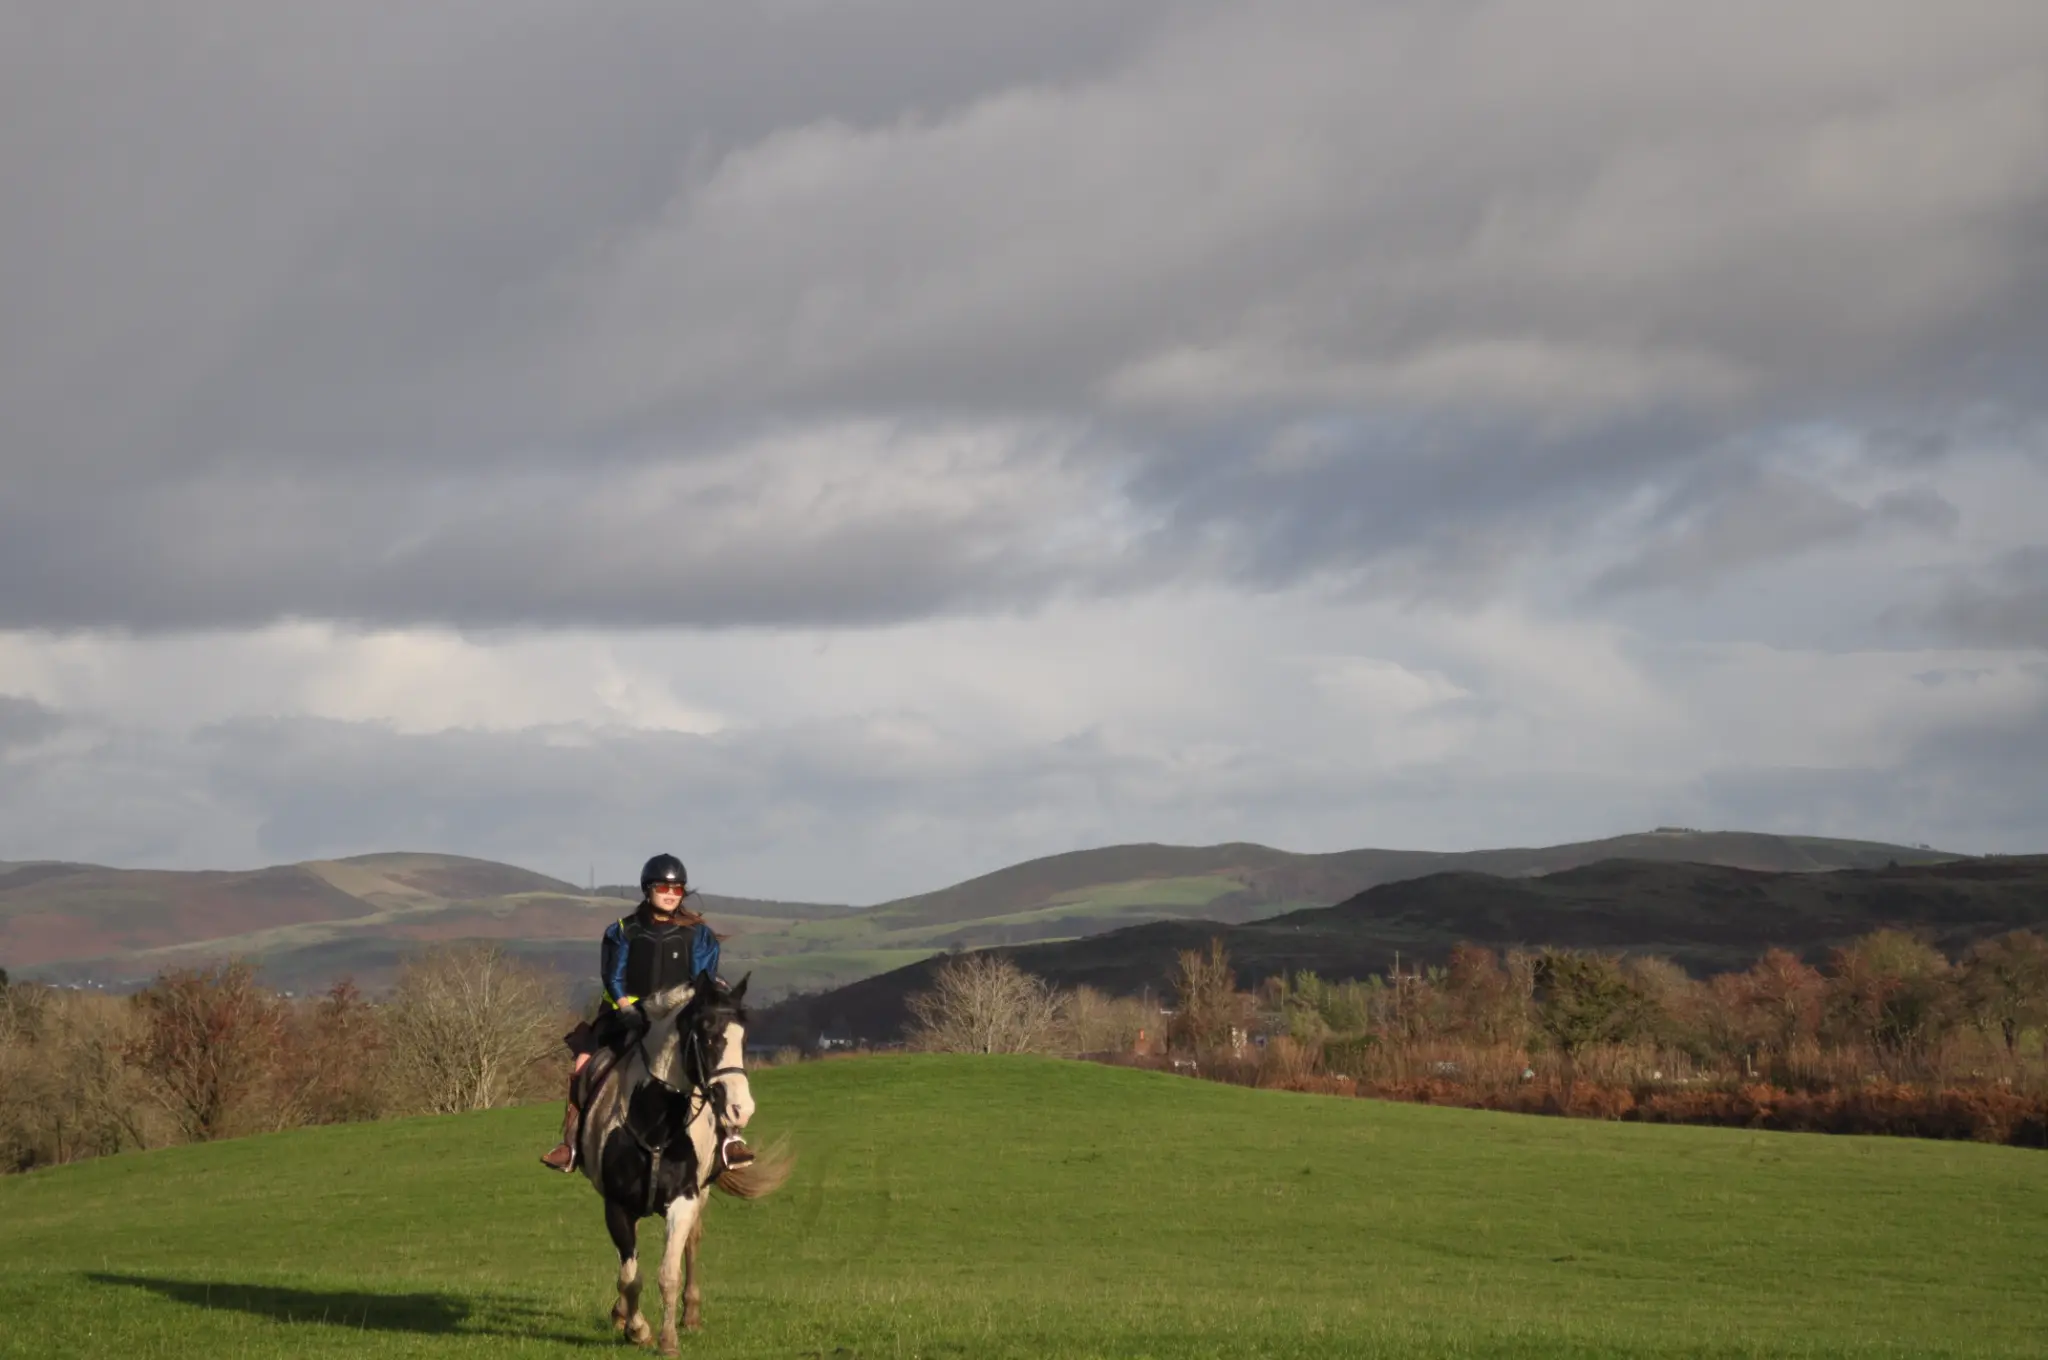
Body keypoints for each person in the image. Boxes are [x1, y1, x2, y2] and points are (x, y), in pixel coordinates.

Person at [540, 853, 753, 1173]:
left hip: (677, 1016)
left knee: (709, 1062)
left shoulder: (699, 935)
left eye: (677, 889)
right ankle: (571, 1143)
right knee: (583, 1063)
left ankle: (728, 1138)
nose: (669, 894)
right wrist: (626, 1008)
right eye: (662, 888)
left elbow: (703, 979)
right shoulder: (622, 931)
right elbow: (612, 977)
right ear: (647, 889)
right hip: (627, 1013)